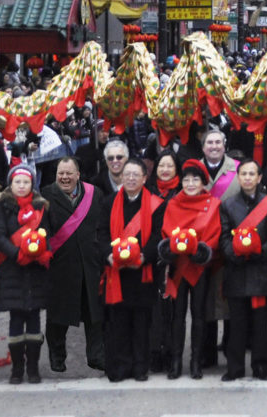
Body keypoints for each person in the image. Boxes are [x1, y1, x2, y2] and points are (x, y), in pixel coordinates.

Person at [41, 155, 109, 376]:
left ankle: (97, 356)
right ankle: (57, 355)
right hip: (61, 265)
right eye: (61, 173)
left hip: (90, 263)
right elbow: (42, 230)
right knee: (58, 316)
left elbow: (102, 226)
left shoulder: (94, 194)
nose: (64, 177)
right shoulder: (46, 195)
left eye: (69, 173)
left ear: (78, 174)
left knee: (94, 313)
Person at [158, 159, 220, 380]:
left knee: (199, 315)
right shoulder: (174, 203)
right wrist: (174, 248)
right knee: (177, 316)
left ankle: (196, 360)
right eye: (186, 179)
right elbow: (166, 231)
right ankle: (176, 361)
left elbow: (214, 233)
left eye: (195, 179)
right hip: (178, 266)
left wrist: (200, 250)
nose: (191, 183)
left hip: (200, 268)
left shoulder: (212, 203)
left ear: (203, 182)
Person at [104, 157, 164, 383]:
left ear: (144, 178)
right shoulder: (109, 202)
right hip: (115, 272)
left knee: (141, 324)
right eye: (126, 174)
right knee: (118, 324)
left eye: (135, 174)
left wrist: (143, 256)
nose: (130, 178)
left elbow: (159, 235)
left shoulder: (156, 204)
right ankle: (120, 366)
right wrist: (107, 255)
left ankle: (140, 367)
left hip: (142, 271)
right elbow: (100, 233)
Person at [219, 157, 267, 381]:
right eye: (243, 173)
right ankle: (234, 368)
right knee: (236, 323)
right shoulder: (227, 205)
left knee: (260, 323)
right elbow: (224, 237)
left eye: (252, 174)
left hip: (260, 272)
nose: (247, 178)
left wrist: (259, 251)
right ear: (238, 176)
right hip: (236, 271)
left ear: (259, 177)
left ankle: (261, 365)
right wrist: (235, 254)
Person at [0, 164, 51, 384]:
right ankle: (17, 369)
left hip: (35, 270)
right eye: (18, 182)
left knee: (34, 319)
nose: (22, 186)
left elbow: (47, 233)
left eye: (26, 182)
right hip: (12, 268)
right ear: (11, 184)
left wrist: (40, 253)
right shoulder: (2, 206)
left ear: (32, 184)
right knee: (16, 319)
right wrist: (17, 254)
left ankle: (33, 369)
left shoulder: (41, 207)